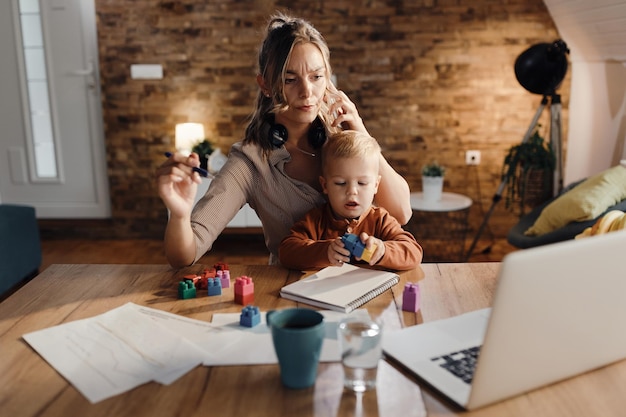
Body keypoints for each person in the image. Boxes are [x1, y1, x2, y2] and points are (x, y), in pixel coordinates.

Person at [156, 12, 412, 268]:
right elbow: (184, 255)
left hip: (364, 283)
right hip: (292, 288)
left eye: (316, 77)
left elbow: (401, 213)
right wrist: (179, 214)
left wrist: (362, 135)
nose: (306, 92)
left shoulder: (343, 139)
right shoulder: (250, 164)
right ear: (266, 85)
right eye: (290, 80)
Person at [278, 130, 422, 271]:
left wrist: (383, 250)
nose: (352, 191)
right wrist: (325, 251)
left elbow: (413, 252)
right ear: (325, 185)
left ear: (376, 185)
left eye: (362, 183)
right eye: (340, 183)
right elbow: (286, 251)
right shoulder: (316, 220)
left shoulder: (380, 220)